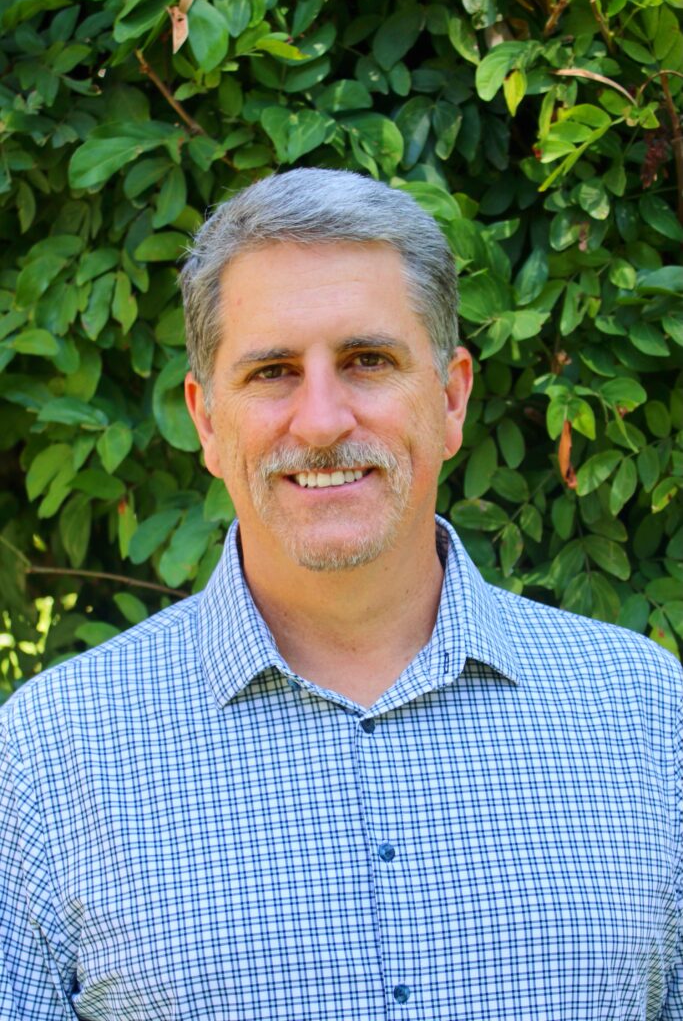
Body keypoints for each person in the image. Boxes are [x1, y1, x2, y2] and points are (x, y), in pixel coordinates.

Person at [1, 168, 681, 1021]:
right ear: (206, 420)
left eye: (367, 361)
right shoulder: (50, 756)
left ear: (450, 397)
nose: (322, 421)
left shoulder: (647, 716)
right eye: (273, 371)